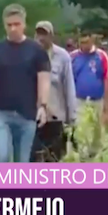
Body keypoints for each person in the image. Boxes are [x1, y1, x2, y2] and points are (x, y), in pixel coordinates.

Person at [0, 4, 51, 162]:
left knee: (22, 160)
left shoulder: (36, 51)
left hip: (26, 113)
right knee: (1, 155)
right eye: (9, 25)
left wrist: (43, 106)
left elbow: (44, 79)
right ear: (4, 25)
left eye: (16, 24)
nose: (13, 29)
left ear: (24, 25)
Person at [30, 21, 78, 162]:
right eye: (38, 34)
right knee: (33, 159)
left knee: (54, 159)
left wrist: (72, 118)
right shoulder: (28, 54)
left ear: (51, 36)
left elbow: (68, 87)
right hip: (33, 117)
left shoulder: (62, 56)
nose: (41, 38)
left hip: (56, 118)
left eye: (44, 34)